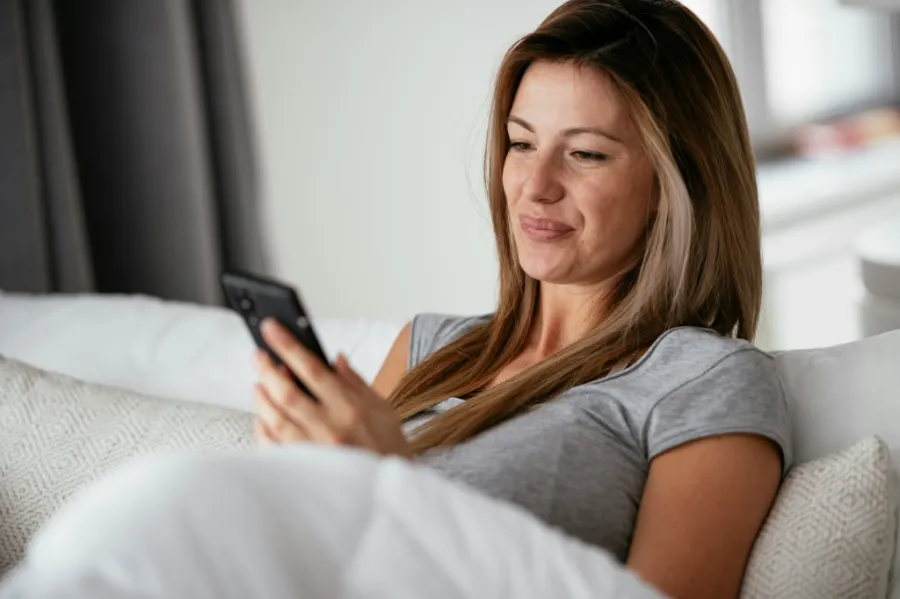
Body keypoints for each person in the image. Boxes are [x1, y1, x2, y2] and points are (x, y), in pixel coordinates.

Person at [1, 1, 791, 598]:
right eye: (520, 142)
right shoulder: (430, 345)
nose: (534, 184)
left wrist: (394, 484)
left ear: (676, 183)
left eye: (584, 153)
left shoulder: (702, 380)